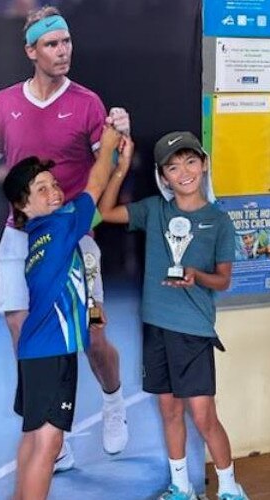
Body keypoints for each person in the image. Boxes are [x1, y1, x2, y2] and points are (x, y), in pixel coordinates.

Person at [0, 5, 129, 466]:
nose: (63, 50)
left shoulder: (88, 103)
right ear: (31, 51)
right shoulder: (3, 103)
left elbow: (105, 166)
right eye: (52, 44)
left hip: (72, 237)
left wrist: (120, 142)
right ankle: (54, 429)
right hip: (18, 235)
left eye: (66, 41)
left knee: (93, 338)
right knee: (22, 330)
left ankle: (113, 403)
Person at [98, 131, 249, 500]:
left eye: (190, 161)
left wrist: (197, 277)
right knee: (169, 411)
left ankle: (230, 489)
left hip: (193, 332)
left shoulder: (219, 221)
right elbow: (103, 212)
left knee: (203, 416)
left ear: (204, 164)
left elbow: (224, 280)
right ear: (163, 176)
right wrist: (117, 170)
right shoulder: (153, 210)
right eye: (173, 166)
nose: (183, 172)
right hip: (156, 328)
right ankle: (180, 487)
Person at [2, 125, 130, 500]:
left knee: (32, 439)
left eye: (54, 184)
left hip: (34, 352)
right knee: (49, 442)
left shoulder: (45, 235)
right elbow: (94, 184)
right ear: (23, 207)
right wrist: (108, 145)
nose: (55, 191)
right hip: (52, 353)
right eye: (41, 189)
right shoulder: (59, 227)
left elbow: (82, 282)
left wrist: (118, 167)